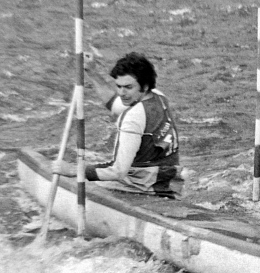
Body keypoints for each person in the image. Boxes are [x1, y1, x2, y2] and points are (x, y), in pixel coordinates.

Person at [55, 52, 182, 197]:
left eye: (128, 87)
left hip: (141, 186)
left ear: (144, 86)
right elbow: (114, 104)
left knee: (89, 176)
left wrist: (73, 170)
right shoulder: (159, 97)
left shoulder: (132, 118)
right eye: (119, 86)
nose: (121, 93)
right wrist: (92, 72)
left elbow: (118, 171)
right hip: (172, 179)